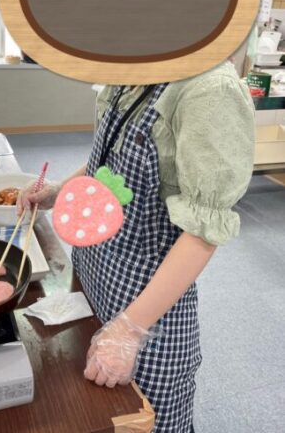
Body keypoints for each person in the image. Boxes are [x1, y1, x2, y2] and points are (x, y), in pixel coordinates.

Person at [18, 61, 255, 433]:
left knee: (147, 420)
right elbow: (110, 161)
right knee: (95, 414)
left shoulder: (210, 89)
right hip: (95, 279)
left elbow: (203, 231)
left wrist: (128, 330)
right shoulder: (137, 66)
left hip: (149, 313)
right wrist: (59, 190)